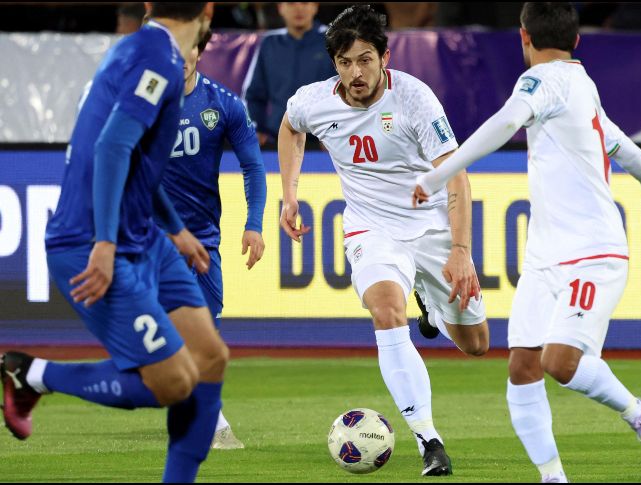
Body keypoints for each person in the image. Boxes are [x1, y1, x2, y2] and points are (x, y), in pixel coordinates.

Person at [412, 3, 641, 483]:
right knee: (522, 367)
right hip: (544, 258)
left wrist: (440, 174)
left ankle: (635, 412)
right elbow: (624, 147)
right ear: (578, 40)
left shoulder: (539, 81)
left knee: (559, 362)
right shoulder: (582, 85)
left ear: (524, 37)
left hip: (594, 253)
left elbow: (505, 122)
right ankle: (553, 478)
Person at [1, 4, 228, 483]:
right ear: (208, 10)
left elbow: (139, 162)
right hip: (90, 239)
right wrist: (104, 243)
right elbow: (111, 148)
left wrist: (176, 230)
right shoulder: (159, 60)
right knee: (173, 381)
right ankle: (32, 374)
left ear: (148, 6)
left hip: (144, 234)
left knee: (210, 358)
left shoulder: (136, 48)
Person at [278, 5, 490, 477]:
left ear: (385, 57)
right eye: (346, 62)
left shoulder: (414, 99)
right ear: (334, 63)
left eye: (366, 59)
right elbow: (291, 127)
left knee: (476, 344)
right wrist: (288, 195)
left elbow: (457, 179)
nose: (356, 73)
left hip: (431, 228)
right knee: (386, 312)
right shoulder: (315, 101)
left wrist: (460, 252)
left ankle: (431, 304)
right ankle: (429, 440)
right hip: (371, 230)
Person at [164, 29, 267, 450]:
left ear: (199, 52)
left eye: (187, 50)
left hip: (203, 239)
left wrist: (254, 223)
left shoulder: (223, 104)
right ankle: (212, 419)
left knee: (207, 332)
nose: (180, 59)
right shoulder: (143, 105)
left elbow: (253, 167)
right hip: (150, 236)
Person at [242, 2, 337, 146]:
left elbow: (345, 94)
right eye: (291, 3)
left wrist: (334, 132)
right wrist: (257, 128)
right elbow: (254, 95)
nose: (299, 8)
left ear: (315, 6)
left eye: (305, 3)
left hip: (322, 141)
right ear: (280, 8)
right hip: (276, 139)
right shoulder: (269, 43)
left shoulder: (334, 41)